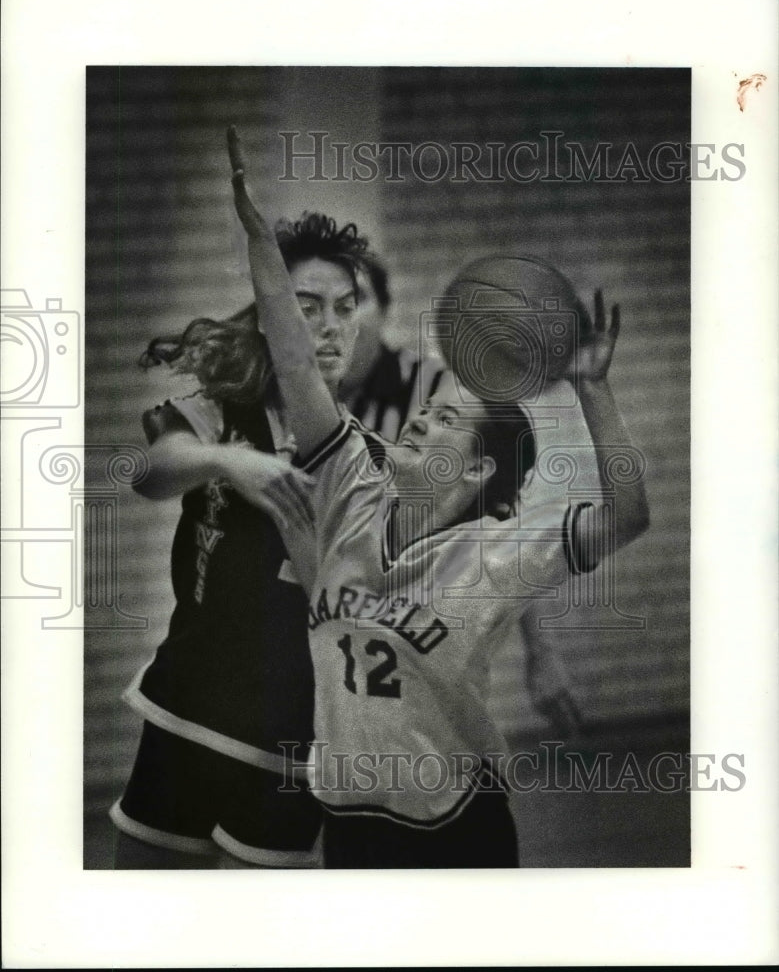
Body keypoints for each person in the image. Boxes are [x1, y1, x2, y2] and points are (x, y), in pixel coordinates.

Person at [228, 125, 650, 868]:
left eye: (449, 420)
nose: (423, 414)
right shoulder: (353, 483)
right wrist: (261, 245)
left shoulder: (496, 553)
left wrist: (592, 390)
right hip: (351, 814)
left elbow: (628, 516)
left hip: (457, 820)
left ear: (476, 471)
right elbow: (294, 362)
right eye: (430, 408)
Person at [110, 212, 379, 868]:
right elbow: (149, 473)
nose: (328, 324)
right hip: (188, 707)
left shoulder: (362, 455)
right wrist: (227, 462)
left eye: (343, 308)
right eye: (305, 306)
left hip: (293, 737)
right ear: (269, 316)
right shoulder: (221, 413)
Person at [344, 259, 585, 737]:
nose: (340, 319)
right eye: (320, 305)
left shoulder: (434, 389)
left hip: (409, 632)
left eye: (356, 301)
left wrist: (541, 653)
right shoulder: (293, 395)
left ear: (386, 310)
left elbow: (502, 523)